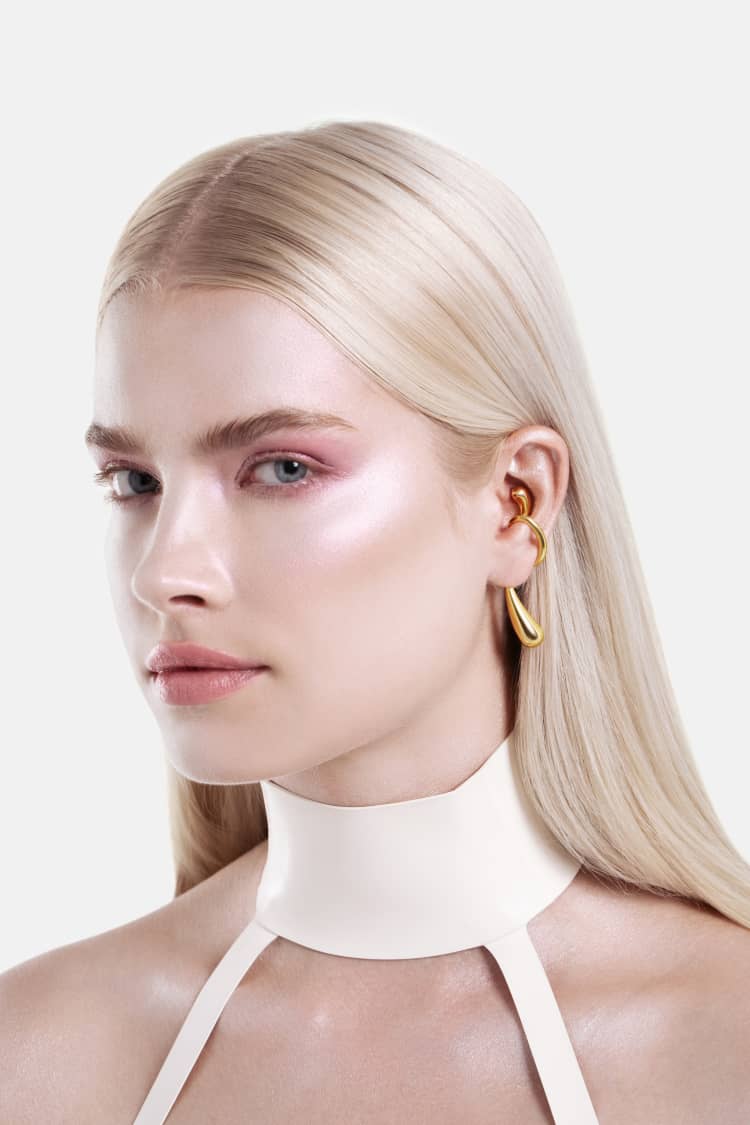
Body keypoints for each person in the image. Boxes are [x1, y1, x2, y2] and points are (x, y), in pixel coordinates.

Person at [2, 120, 749, 1123]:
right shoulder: (37, 1057)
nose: (165, 571)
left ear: (516, 503)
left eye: (282, 468)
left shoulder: (725, 1044)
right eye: (134, 480)